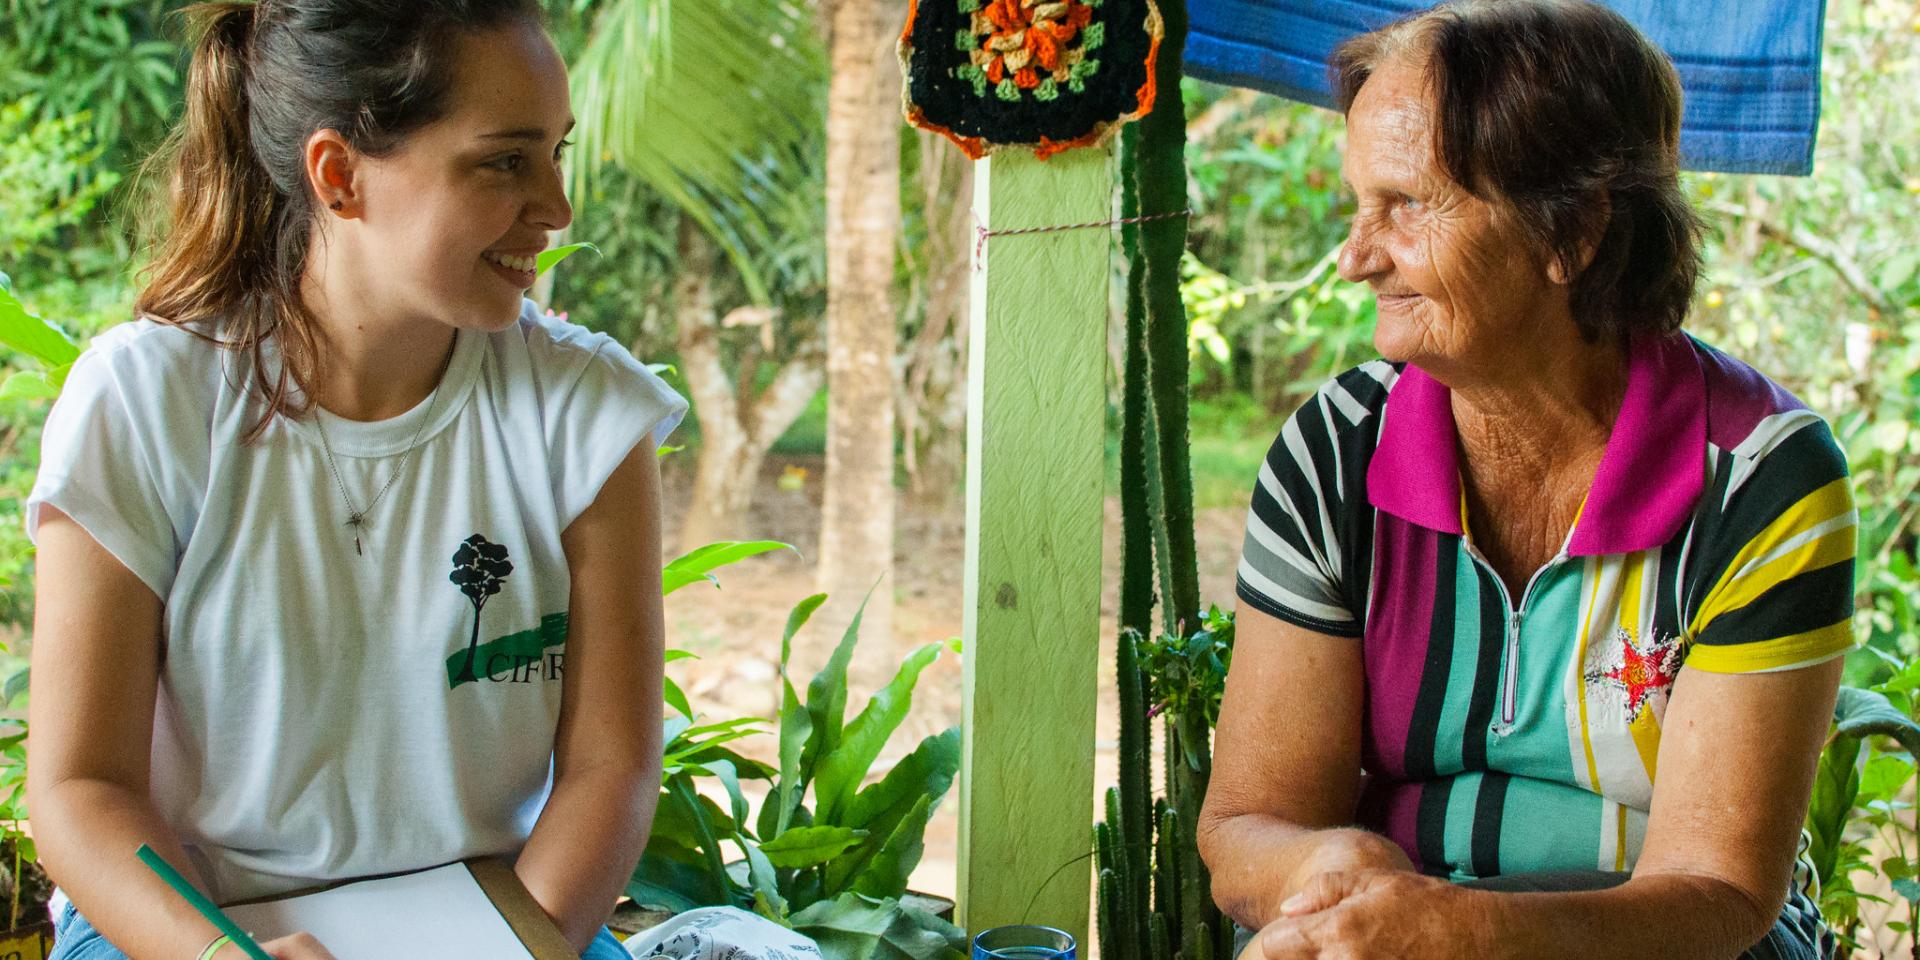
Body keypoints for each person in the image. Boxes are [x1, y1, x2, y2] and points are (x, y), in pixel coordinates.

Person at [25, 2, 686, 958]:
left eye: (557, 153)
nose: (556, 206)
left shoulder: (585, 415)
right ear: (339, 176)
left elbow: (610, 766)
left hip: (498, 914)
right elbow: (79, 788)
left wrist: (512, 950)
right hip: (182, 927)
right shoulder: (144, 403)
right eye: (505, 160)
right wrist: (221, 955)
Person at [1199, 2, 1854, 959]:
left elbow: (1717, 894)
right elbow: (1249, 823)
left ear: (1574, 230)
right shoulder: (1334, 453)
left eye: (1408, 205)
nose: (1355, 257)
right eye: (1358, 203)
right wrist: (1325, 875)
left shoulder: (1760, 481)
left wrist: (1470, 934)